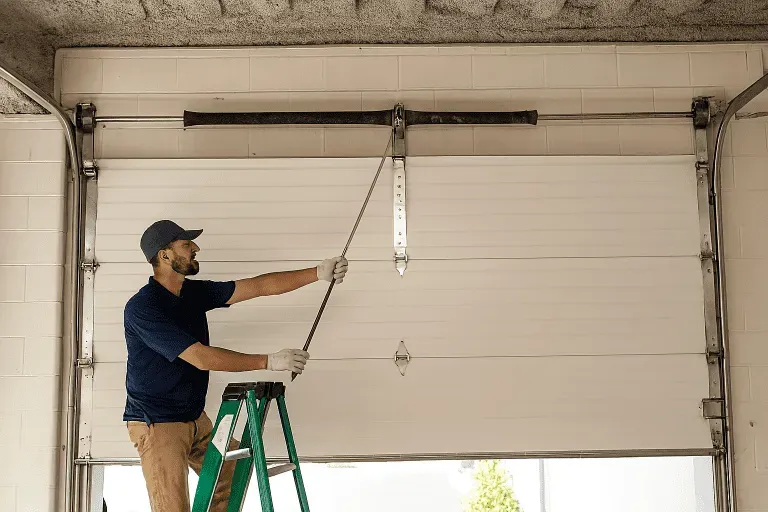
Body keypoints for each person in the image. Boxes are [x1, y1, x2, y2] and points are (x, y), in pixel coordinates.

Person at [123, 219, 348, 512]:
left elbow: (259, 286)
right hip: (157, 423)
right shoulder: (143, 308)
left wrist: (318, 273)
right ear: (164, 256)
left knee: (232, 472)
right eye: (186, 244)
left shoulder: (191, 293)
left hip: (194, 417)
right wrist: (268, 361)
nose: (195, 248)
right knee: (172, 508)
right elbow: (200, 357)